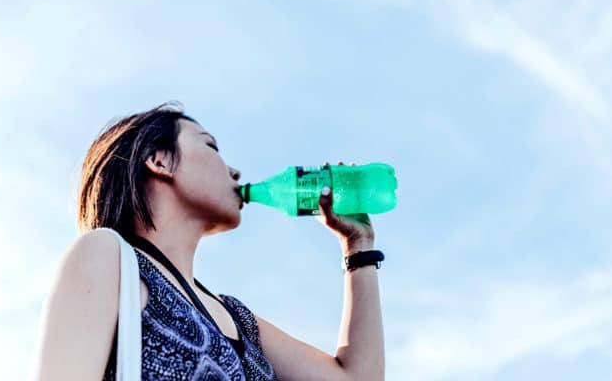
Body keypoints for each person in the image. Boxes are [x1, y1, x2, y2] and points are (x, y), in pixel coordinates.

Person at [33, 101, 385, 380]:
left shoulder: (237, 319)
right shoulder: (107, 258)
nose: (234, 171)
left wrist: (359, 248)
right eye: (210, 146)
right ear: (160, 160)